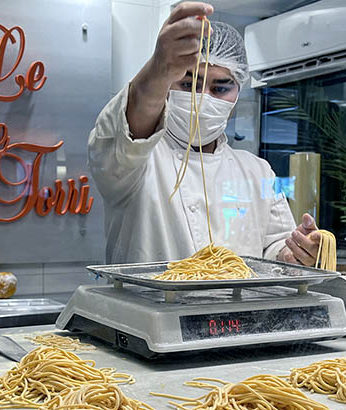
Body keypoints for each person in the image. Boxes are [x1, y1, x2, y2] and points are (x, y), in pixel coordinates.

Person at [87, 2, 320, 266]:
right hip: (149, 295)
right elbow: (130, 129)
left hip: (240, 295)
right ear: (167, 85)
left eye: (220, 89)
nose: (202, 98)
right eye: (188, 84)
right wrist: (158, 67)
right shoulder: (136, 161)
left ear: (237, 93)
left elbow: (275, 247)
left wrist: (294, 254)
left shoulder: (257, 171)